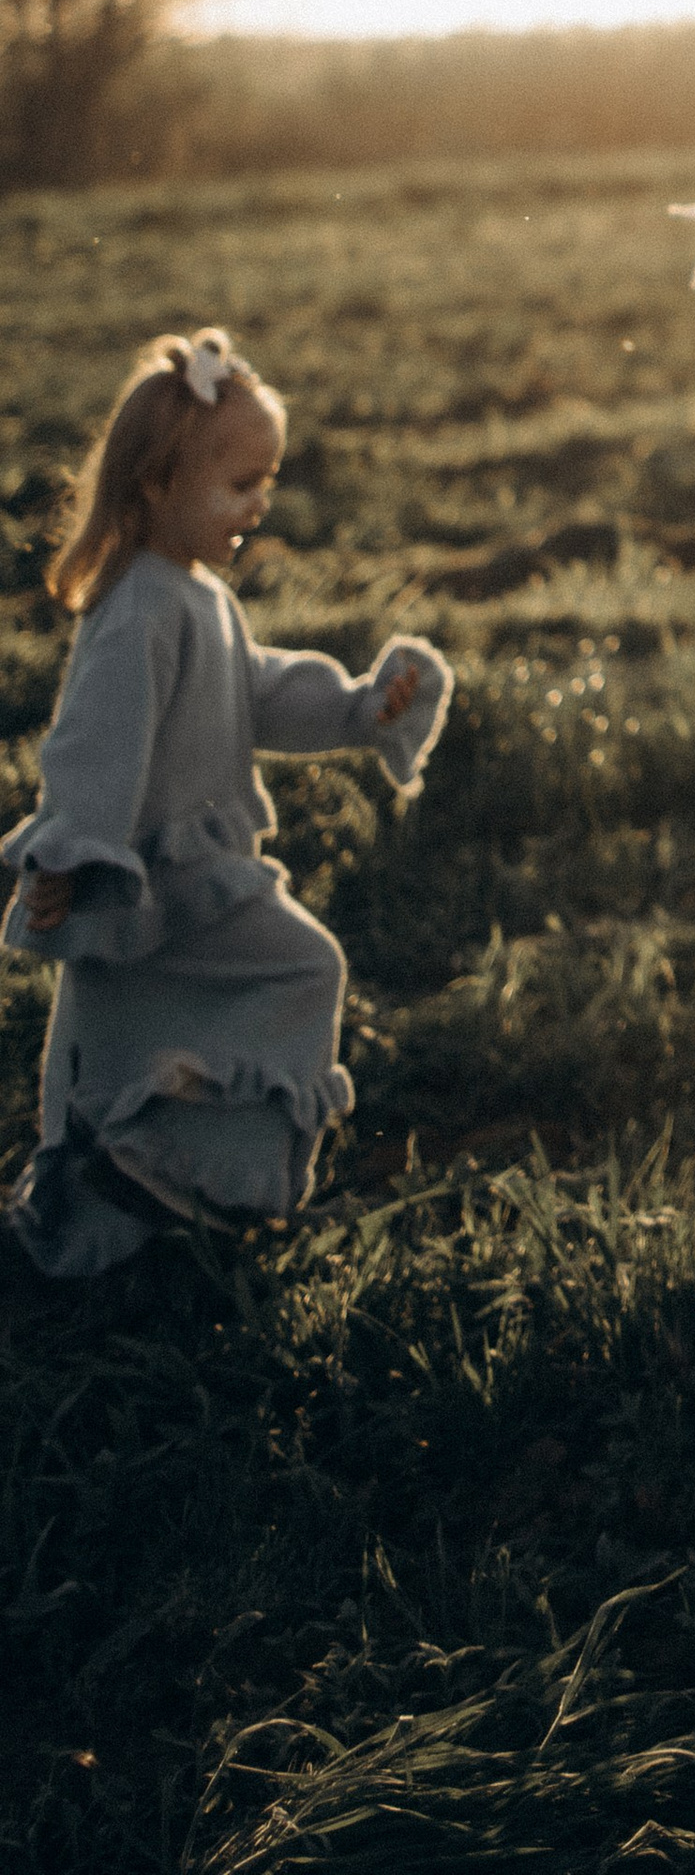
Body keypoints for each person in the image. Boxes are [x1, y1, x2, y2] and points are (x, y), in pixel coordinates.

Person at [2, 327, 452, 1278]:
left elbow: (252, 691)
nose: (260, 503)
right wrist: (73, 852)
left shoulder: (194, 592)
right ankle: (171, 1171)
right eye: (239, 484)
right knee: (301, 970)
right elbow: (93, 739)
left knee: (130, 1030)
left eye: (268, 480)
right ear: (156, 485)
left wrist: (357, 705)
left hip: (194, 877)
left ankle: (147, 1181)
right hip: (154, 882)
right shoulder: (138, 610)